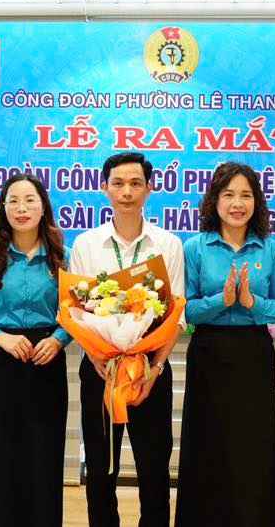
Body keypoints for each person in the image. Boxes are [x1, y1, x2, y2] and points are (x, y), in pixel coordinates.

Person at [69, 151, 185, 527]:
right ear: (105, 188)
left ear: (150, 188)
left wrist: (157, 365)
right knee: (101, 469)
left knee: (153, 468)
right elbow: (77, 311)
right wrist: (96, 356)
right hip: (100, 372)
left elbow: (176, 314)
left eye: (136, 183)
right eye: (118, 183)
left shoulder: (168, 245)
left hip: (150, 371)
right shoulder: (86, 244)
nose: (127, 192)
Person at [175, 162, 275, 527]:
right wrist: (220, 301)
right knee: (207, 446)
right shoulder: (195, 248)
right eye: (228, 195)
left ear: (257, 202)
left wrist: (253, 304)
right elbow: (185, 310)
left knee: (252, 449)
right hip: (209, 353)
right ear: (214, 200)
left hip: (254, 354)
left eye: (245, 195)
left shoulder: (270, 250)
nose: (237, 203)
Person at [0, 174, 71, 527]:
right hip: (2, 363)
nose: (22, 208)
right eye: (13, 201)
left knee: (44, 455)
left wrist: (58, 339)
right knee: (0, 454)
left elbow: (77, 312)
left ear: (43, 206)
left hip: (47, 363)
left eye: (30, 200)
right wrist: (0, 337)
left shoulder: (62, 256)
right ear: (3, 207)